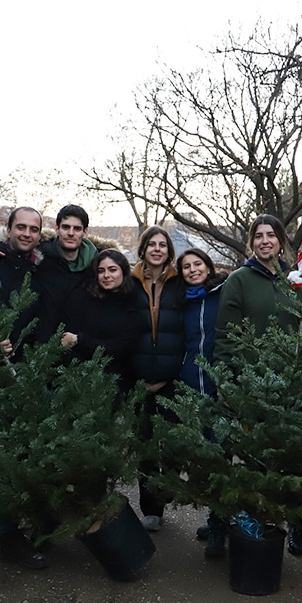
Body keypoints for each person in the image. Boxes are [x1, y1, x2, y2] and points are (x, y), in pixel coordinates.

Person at [213, 214, 302, 556]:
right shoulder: (239, 280)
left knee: (294, 459)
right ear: (251, 242)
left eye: (271, 235)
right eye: (258, 235)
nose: (265, 240)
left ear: (281, 241)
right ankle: (255, 522)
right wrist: (226, 381)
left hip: (292, 385)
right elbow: (225, 335)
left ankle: (296, 526)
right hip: (253, 386)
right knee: (255, 458)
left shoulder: (296, 280)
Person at [130, 226, 185, 532]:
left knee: (174, 445)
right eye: (152, 244)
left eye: (162, 245)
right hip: (140, 378)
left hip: (173, 378)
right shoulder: (131, 282)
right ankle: (151, 508)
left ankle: (169, 492)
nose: (157, 249)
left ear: (169, 251)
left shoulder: (179, 284)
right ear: (143, 249)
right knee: (146, 446)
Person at [176, 248, 228, 557]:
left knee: (220, 458)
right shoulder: (181, 302)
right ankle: (215, 516)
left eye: (198, 264)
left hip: (220, 390)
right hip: (189, 387)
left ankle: (219, 526)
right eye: (186, 267)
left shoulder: (222, 295)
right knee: (202, 462)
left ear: (208, 267)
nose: (193, 270)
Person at [60, 249, 142, 392]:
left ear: (123, 271)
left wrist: (81, 340)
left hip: (117, 385)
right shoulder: (80, 298)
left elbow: (123, 347)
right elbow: (67, 339)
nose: (106, 275)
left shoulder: (132, 303)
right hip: (79, 382)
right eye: (101, 271)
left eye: (112, 270)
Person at [33, 204, 97, 343]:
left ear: (85, 232)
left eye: (77, 229)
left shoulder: (97, 267)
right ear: (57, 229)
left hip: (80, 352)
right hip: (38, 350)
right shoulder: (38, 257)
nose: (71, 233)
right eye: (66, 227)